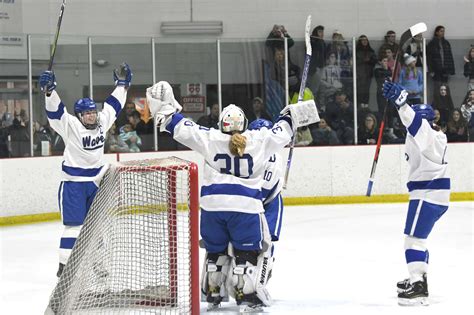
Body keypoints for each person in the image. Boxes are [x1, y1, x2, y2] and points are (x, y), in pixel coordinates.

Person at [146, 80, 317, 311]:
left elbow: (175, 124)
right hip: (245, 208)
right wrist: (294, 111)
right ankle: (245, 295)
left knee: (215, 252)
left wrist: (163, 107)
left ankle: (214, 290)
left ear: (221, 124)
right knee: (247, 254)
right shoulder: (259, 141)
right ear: (245, 124)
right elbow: (284, 128)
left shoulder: (210, 138)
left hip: (211, 209)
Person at [39, 63, 132, 277]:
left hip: (95, 183)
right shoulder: (70, 126)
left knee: (96, 227)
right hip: (73, 184)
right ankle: (64, 267)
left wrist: (122, 85)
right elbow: (56, 113)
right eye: (87, 113)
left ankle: (98, 264)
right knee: (74, 227)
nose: (91, 116)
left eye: (92, 112)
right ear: (79, 116)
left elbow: (113, 106)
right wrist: (50, 92)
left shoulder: (101, 122)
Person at [383, 80, 450, 306]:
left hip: (428, 194)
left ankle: (418, 285)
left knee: (413, 241)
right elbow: (413, 127)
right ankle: (419, 277)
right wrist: (399, 106)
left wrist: (402, 104)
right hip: (430, 194)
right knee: (418, 239)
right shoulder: (424, 135)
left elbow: (416, 125)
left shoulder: (430, 136)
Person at [247, 119, 284, 283]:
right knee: (261, 242)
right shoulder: (274, 154)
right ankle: (258, 274)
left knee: (261, 243)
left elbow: (266, 187)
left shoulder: (268, 156)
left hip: (262, 202)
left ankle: (258, 275)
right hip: (262, 200)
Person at [426, 25, 455, 92]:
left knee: (445, 88)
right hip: (436, 69)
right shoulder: (432, 44)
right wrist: (431, 70)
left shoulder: (446, 43)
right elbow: (429, 58)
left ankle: (444, 101)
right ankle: (437, 102)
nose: (443, 33)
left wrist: (451, 69)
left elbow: (449, 57)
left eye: (443, 31)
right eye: (441, 31)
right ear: (437, 32)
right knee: (437, 87)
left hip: (445, 69)